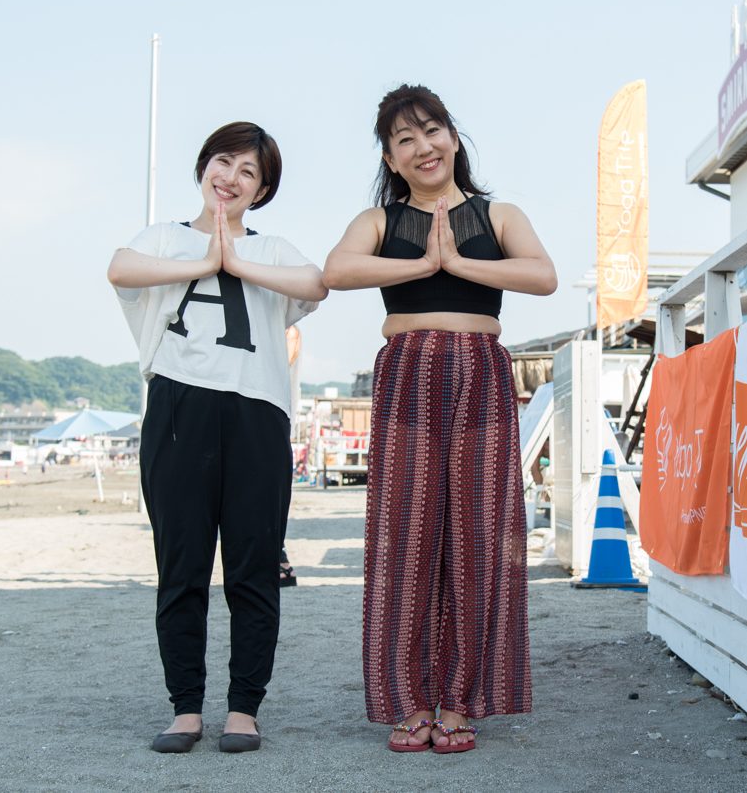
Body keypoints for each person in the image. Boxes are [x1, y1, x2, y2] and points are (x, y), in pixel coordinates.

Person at [323, 85, 557, 754]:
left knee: (482, 535)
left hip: (480, 367)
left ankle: (460, 699)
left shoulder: (496, 213)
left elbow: (542, 275)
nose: (422, 146)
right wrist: (423, 262)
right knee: (405, 535)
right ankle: (406, 699)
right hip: (407, 368)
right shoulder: (381, 220)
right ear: (391, 159)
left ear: (453, 137)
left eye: (431, 131)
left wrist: (458, 261)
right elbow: (335, 270)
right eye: (404, 139)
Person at [107, 122, 327, 753]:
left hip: (258, 413)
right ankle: (184, 707)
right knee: (182, 563)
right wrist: (207, 260)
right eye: (224, 162)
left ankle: (244, 709)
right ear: (204, 166)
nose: (231, 178)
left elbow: (316, 286)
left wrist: (239, 260)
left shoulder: (276, 249)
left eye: (248, 172)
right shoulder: (161, 239)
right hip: (178, 407)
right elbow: (119, 269)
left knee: (252, 566)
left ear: (261, 191)